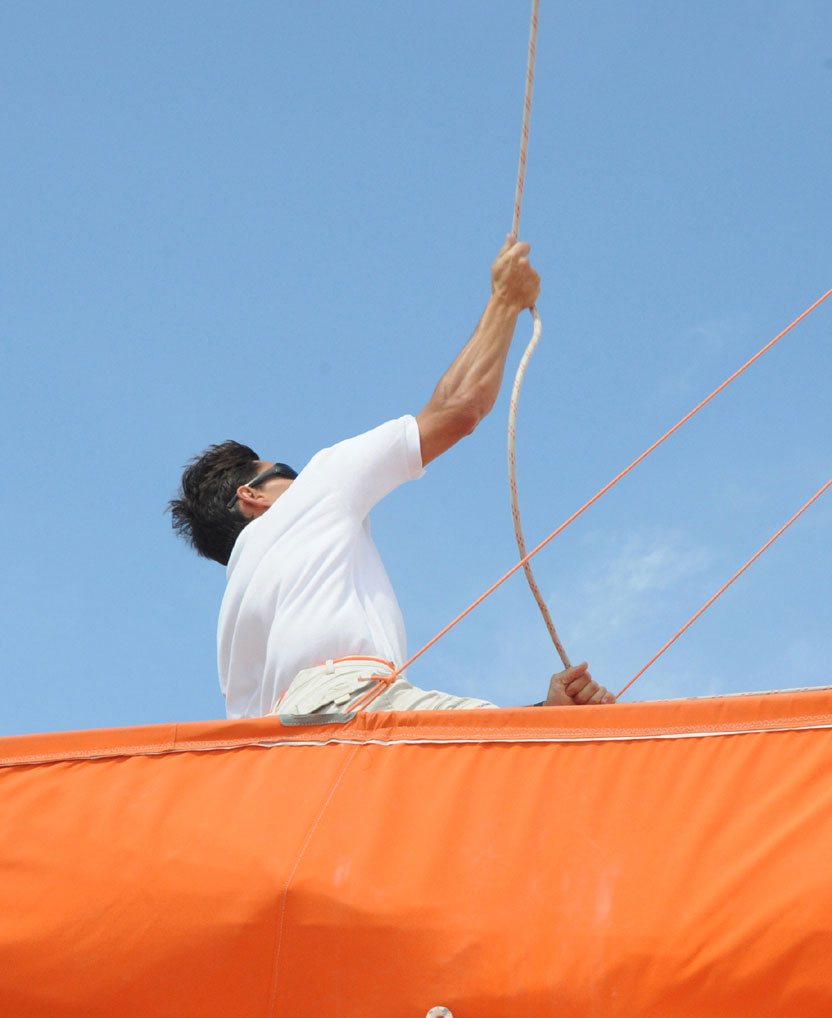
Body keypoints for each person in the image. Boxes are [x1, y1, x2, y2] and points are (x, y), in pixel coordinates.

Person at [169, 237, 614, 721]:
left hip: (290, 765)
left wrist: (541, 713)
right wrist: (506, 300)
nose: (298, 479)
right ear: (251, 495)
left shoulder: (232, 632)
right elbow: (457, 410)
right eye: (285, 474)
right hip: (349, 703)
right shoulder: (316, 489)